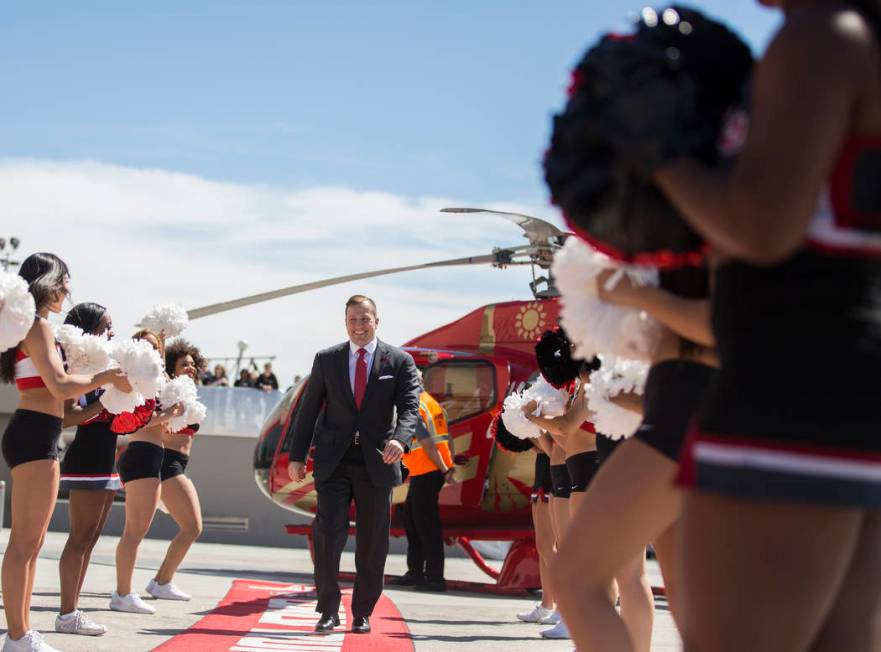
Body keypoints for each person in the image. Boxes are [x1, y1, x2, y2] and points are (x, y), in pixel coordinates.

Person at [649, 2, 881, 649]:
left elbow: (759, 228)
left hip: (786, 391)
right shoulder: (854, 35)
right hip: (843, 386)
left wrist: (658, 155)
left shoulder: (819, 34)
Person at [551, 267, 715, 652]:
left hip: (677, 428)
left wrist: (637, 297)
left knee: (583, 577)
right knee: (677, 586)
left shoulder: (709, 260)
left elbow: (722, 330)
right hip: (667, 428)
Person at [0, 254, 131, 652]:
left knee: (31, 542)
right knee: (24, 543)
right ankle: (18, 635)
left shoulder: (35, 329)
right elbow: (58, 385)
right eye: (63, 282)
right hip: (36, 433)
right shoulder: (37, 327)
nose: (67, 291)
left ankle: (20, 632)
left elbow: (59, 394)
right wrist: (105, 376)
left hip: (41, 431)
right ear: (47, 283)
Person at [287, 294, 420, 634]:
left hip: (378, 460)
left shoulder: (400, 361)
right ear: (345, 323)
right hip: (335, 461)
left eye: (365, 319)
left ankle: (362, 612)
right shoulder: (327, 359)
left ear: (377, 320)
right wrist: (297, 456)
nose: (359, 326)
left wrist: (400, 440)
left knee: (373, 543)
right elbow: (308, 410)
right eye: (353, 320)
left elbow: (409, 407)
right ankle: (328, 609)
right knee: (328, 536)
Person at [56, 302, 119, 638]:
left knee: (90, 539)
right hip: (86, 461)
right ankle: (66, 614)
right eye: (107, 326)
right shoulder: (76, 366)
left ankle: (73, 611)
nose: (113, 332)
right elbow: (68, 417)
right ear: (89, 329)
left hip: (106, 460)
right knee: (79, 538)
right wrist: (105, 401)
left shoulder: (103, 366)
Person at [111, 330, 184, 615]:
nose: (150, 349)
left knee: (136, 531)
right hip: (141, 456)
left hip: (149, 456)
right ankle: (122, 593)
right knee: (134, 532)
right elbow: (133, 422)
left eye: (155, 346)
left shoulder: (150, 378)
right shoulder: (134, 380)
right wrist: (168, 415)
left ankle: (124, 592)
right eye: (144, 345)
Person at [147, 338, 207, 602]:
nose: (191, 368)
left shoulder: (188, 393)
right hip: (165, 463)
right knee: (192, 527)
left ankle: (161, 581)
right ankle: (161, 582)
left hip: (177, 464)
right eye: (185, 364)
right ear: (172, 368)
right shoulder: (166, 392)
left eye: (193, 364)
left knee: (190, 527)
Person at [391, 389, 455, 592]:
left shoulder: (415, 406)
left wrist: (445, 469)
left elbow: (427, 442)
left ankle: (435, 578)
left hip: (427, 470)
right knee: (411, 520)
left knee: (426, 527)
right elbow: (448, 436)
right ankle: (416, 572)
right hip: (427, 471)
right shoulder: (432, 403)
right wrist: (449, 465)